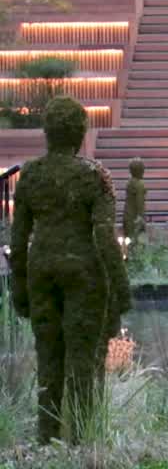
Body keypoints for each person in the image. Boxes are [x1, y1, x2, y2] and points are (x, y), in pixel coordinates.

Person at [9, 95, 131, 443]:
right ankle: (82, 441)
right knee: (84, 362)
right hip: (84, 275)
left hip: (41, 272)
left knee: (48, 358)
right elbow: (105, 238)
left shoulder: (30, 175)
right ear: (80, 134)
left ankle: (46, 438)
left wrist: (19, 289)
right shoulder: (95, 176)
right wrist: (121, 290)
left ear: (48, 133)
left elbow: (17, 243)